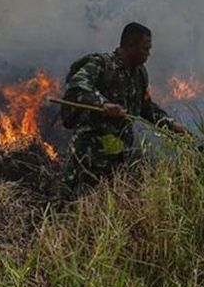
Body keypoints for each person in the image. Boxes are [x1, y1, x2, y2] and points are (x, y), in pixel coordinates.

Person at [61, 22, 187, 195]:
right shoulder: (100, 64)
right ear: (130, 45)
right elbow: (77, 86)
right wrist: (102, 104)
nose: (148, 54)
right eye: (145, 49)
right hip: (89, 156)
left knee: (108, 208)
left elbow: (145, 106)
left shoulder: (139, 73)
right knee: (75, 205)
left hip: (118, 156)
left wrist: (169, 124)